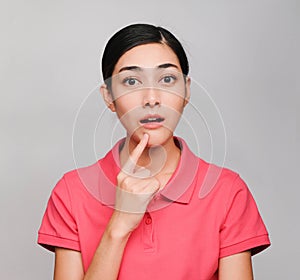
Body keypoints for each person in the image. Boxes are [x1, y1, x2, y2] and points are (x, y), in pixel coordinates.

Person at [37, 23, 270, 280]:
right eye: (131, 81)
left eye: (167, 79)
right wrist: (119, 225)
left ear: (186, 89)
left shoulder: (227, 191)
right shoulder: (72, 192)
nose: (151, 98)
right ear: (109, 97)